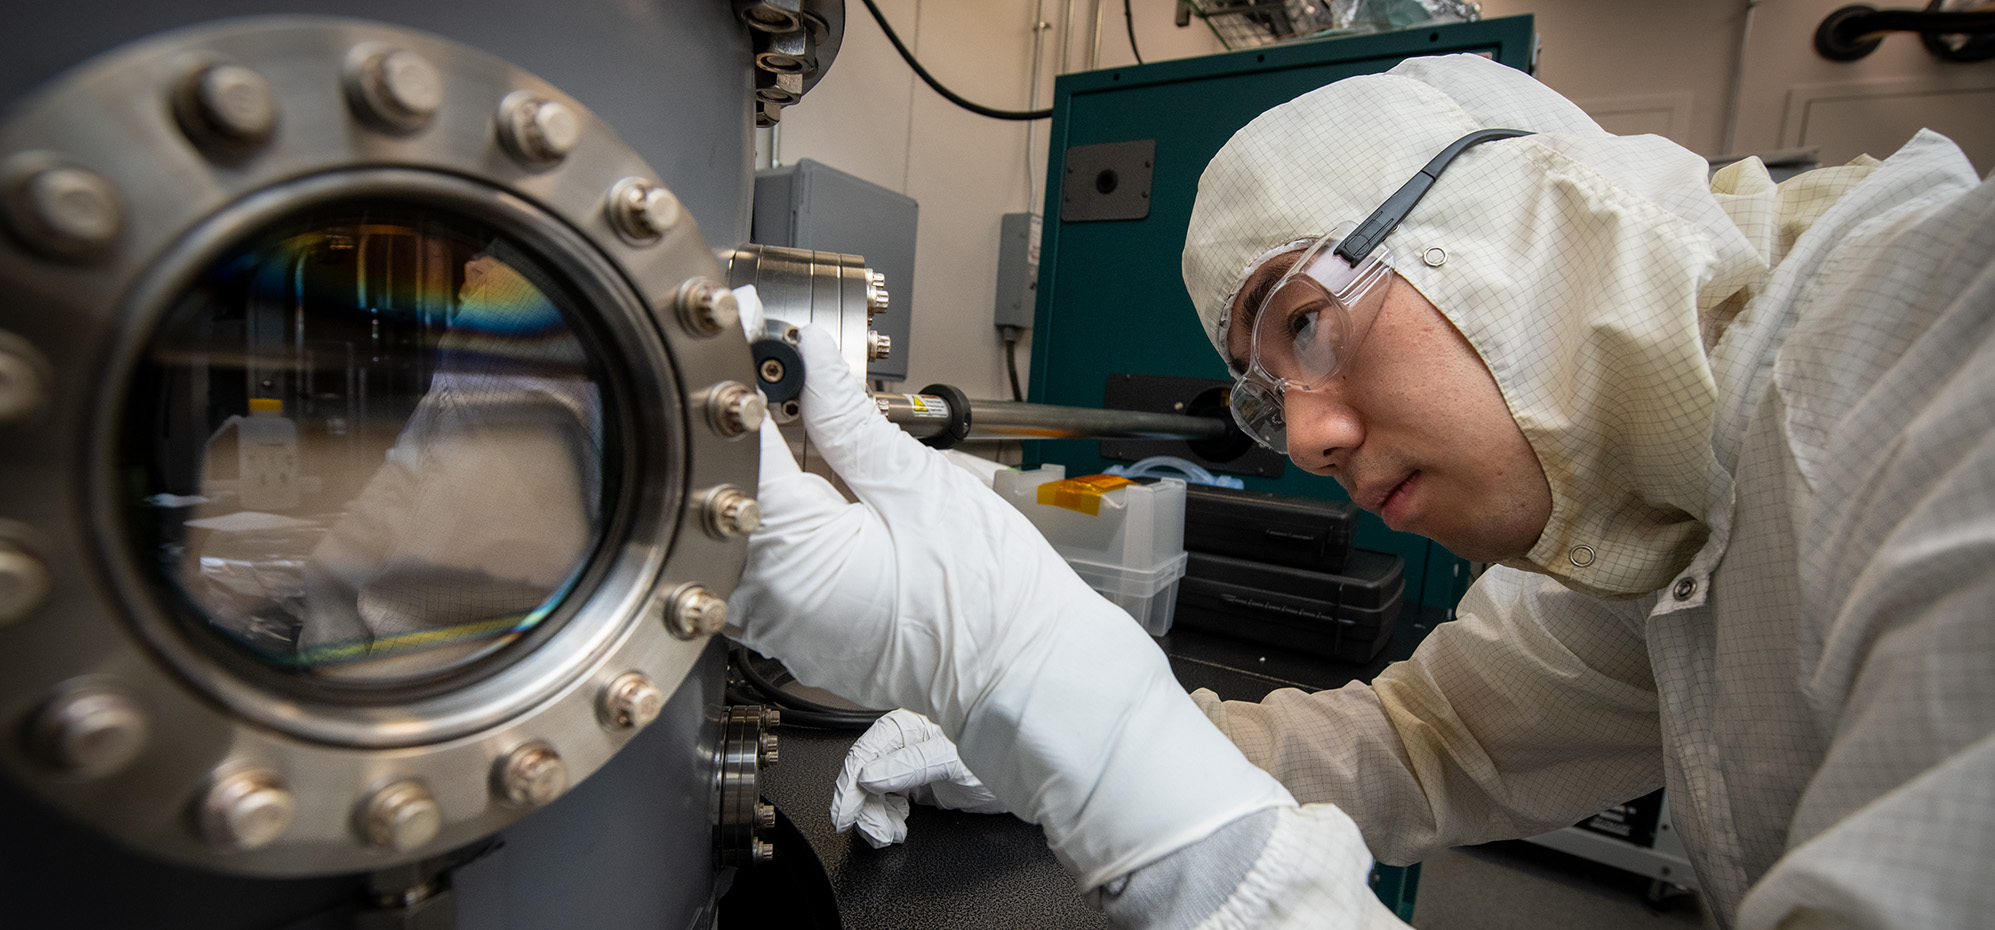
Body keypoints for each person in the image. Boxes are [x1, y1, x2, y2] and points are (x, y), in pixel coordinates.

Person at [727, 53, 1995, 929]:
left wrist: (1024, 662)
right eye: (1266, 399)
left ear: (1512, 215)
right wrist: (1041, 738)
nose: (1313, 438)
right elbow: (1417, 746)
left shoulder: (1946, 342)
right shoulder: (1667, 533)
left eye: (1310, 324)